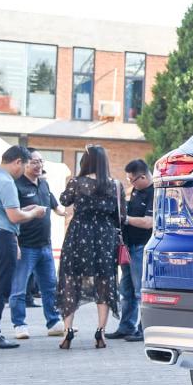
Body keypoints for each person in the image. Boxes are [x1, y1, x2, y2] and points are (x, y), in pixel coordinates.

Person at [56, 145, 124, 350]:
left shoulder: (77, 182)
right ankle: (100, 331)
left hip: (79, 235)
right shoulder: (115, 185)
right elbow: (120, 216)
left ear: (85, 161)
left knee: (70, 280)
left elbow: (64, 200)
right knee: (104, 282)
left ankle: (67, 330)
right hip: (105, 237)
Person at [0, 146, 47, 349]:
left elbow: (1, 211)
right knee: (1, 288)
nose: (24, 171)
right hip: (1, 238)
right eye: (26, 165)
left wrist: (23, 209)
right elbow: (14, 217)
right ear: (18, 161)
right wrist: (34, 213)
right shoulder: (6, 182)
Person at [9, 149, 66, 339]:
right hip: (24, 246)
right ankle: (19, 325)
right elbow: (12, 215)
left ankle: (54, 322)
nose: (38, 165)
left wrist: (68, 211)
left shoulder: (44, 184)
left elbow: (56, 207)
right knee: (18, 289)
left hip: (45, 246)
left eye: (41, 161)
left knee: (50, 287)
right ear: (25, 163)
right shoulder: (16, 186)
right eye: (34, 161)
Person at [106, 159, 153, 342]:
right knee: (126, 290)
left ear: (143, 177)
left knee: (140, 291)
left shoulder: (154, 192)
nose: (130, 184)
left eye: (132, 180)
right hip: (128, 247)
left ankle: (144, 329)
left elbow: (148, 222)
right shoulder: (136, 190)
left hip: (141, 247)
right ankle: (126, 326)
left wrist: (125, 219)